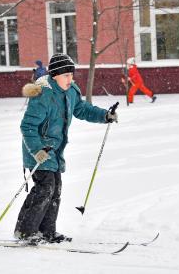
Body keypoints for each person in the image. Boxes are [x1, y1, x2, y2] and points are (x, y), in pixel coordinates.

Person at [15, 53, 118, 244]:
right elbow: (27, 126)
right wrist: (37, 149)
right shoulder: (43, 95)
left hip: (55, 151)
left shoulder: (71, 91)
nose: (70, 79)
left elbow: (82, 109)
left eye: (72, 75)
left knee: (55, 190)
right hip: (39, 152)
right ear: (54, 76)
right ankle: (25, 231)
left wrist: (104, 116)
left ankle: (47, 232)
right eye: (66, 76)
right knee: (45, 189)